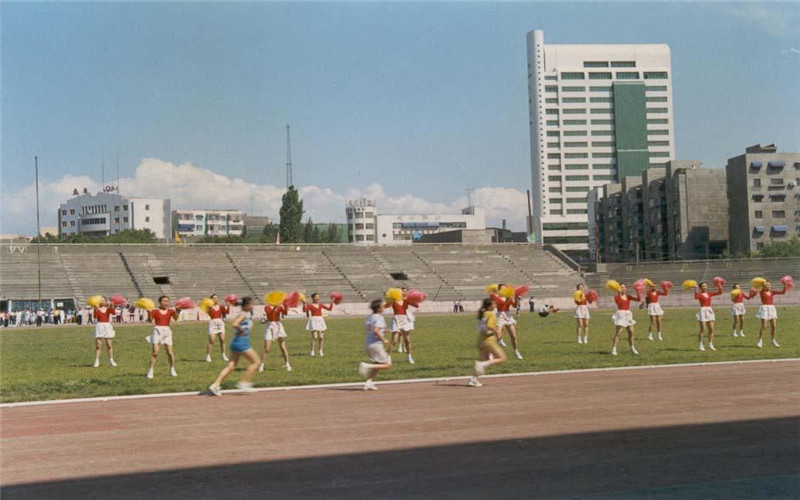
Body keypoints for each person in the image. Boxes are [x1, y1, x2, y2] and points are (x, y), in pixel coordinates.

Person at [208, 297, 259, 395]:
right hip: (241, 342)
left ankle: (215, 385)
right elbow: (235, 324)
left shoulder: (244, 314)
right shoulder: (244, 314)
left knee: (231, 366)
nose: (252, 306)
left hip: (236, 342)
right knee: (256, 361)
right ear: (245, 305)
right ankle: (244, 383)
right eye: (251, 304)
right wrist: (241, 329)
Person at [468, 298, 507, 387]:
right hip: (489, 340)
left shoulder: (482, 313)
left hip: (480, 340)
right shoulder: (491, 314)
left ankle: (473, 379)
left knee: (485, 361)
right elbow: (489, 326)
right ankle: (481, 365)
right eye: (494, 304)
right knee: (502, 358)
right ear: (489, 306)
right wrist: (497, 332)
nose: (495, 306)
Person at [357, 299, 393, 391]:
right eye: (382, 305)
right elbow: (376, 330)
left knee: (377, 364)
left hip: (368, 343)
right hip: (376, 344)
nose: (384, 306)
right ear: (378, 308)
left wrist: (388, 331)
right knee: (387, 365)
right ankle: (366, 366)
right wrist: (383, 339)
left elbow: (373, 330)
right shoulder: (379, 317)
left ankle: (369, 382)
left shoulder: (370, 317)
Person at [145, 296, 180, 378]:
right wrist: (148, 312)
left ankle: (172, 369)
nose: (166, 303)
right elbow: (150, 320)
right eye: (164, 301)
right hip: (157, 330)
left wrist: (178, 311)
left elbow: (176, 318)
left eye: (167, 301)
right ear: (159, 302)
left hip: (167, 331)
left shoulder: (171, 311)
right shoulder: (155, 311)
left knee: (170, 353)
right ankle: (150, 371)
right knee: (155, 352)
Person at [754, 280, 789, 348]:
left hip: (771, 308)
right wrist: (763, 284)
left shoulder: (772, 292)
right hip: (764, 308)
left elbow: (783, 292)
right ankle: (760, 341)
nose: (768, 286)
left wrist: (785, 285)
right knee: (764, 326)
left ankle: (773, 341)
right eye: (767, 285)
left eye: (769, 285)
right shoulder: (762, 292)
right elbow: (760, 288)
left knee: (774, 326)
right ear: (764, 286)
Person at [387, 288, 418, 364]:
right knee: (394, 340)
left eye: (405, 292)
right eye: (402, 292)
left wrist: (409, 299)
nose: (403, 293)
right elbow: (385, 305)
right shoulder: (394, 301)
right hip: (396, 319)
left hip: (404, 319)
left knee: (407, 340)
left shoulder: (406, 301)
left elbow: (416, 305)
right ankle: (388, 358)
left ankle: (409, 357)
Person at [259, 301, 291, 372]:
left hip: (278, 326)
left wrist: (285, 306)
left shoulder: (279, 307)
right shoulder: (267, 307)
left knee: (283, 347)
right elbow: (270, 313)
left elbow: (285, 313)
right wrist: (275, 307)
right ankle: (262, 365)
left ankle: (287, 363)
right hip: (269, 326)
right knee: (266, 348)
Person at [493, 284, 523, 360]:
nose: (504, 289)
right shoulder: (497, 297)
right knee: (498, 335)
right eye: (502, 288)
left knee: (513, 336)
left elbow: (515, 306)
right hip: (500, 316)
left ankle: (516, 352)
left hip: (508, 315)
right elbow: (501, 304)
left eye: (505, 288)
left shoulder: (509, 297)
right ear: (499, 290)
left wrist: (517, 298)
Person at [611, 283, 641, 356]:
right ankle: (614, 348)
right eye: (621, 287)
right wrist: (619, 293)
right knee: (618, 333)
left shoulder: (628, 296)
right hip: (621, 314)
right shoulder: (616, 297)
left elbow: (638, 299)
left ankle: (632, 348)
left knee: (631, 332)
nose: (623, 288)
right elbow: (619, 302)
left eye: (624, 287)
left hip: (628, 314)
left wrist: (638, 291)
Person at [694, 281, 724, 352]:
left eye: (706, 285)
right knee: (702, 329)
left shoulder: (709, 293)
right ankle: (700, 344)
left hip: (709, 310)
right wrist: (696, 289)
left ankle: (710, 344)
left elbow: (719, 293)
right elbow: (696, 297)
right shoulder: (699, 294)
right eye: (703, 286)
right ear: (700, 287)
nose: (705, 287)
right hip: (703, 310)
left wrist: (719, 286)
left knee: (711, 329)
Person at [304, 293, 334, 357]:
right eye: (316, 297)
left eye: (318, 297)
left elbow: (329, 309)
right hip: (314, 320)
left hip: (320, 320)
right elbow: (305, 310)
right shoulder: (310, 305)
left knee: (321, 337)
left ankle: (320, 351)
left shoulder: (320, 305)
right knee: (315, 337)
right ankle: (312, 351)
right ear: (313, 298)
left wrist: (332, 302)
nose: (318, 298)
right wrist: (304, 305)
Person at [92, 297, 118, 367]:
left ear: (106, 301)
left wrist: (112, 306)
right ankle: (97, 361)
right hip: (99, 326)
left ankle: (111, 360)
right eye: (101, 300)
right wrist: (95, 309)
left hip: (107, 326)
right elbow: (95, 317)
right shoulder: (97, 309)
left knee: (109, 345)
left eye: (103, 300)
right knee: (98, 345)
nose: (102, 301)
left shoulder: (108, 308)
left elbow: (114, 313)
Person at [205, 294, 230, 362]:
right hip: (212, 323)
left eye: (217, 298)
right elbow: (210, 313)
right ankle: (208, 356)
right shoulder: (209, 307)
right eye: (214, 298)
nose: (216, 299)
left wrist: (228, 306)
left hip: (220, 323)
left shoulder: (221, 306)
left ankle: (224, 355)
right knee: (211, 340)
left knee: (222, 340)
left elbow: (226, 313)